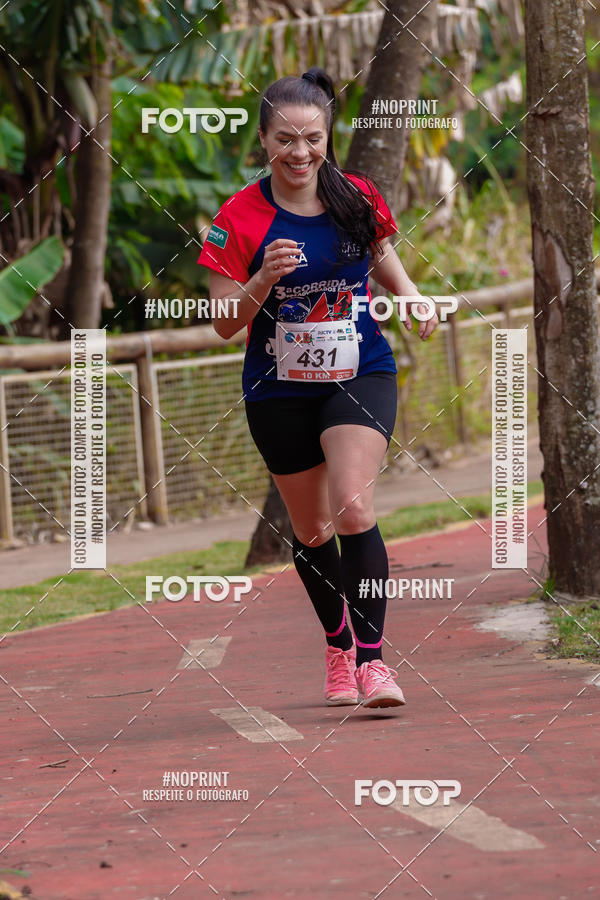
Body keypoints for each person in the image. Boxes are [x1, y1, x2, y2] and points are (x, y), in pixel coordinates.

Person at [198, 67, 438, 709]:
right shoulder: (235, 219)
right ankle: (338, 647)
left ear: (328, 136)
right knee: (310, 531)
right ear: (263, 140)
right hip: (278, 388)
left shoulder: (356, 195)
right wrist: (262, 280)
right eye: (285, 139)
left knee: (352, 507)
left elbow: (378, 250)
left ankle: (374, 663)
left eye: (312, 138)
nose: (299, 152)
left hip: (360, 370)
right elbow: (223, 323)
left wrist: (410, 294)